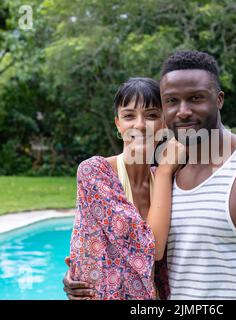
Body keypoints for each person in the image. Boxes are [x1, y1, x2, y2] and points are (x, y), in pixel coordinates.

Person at [64, 51, 236, 300]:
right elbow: (137, 253)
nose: (183, 111)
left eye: (196, 98)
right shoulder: (170, 174)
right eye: (171, 101)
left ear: (219, 99)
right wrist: (83, 274)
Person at [65, 77, 185, 300]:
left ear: (164, 125)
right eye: (129, 116)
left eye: (151, 115)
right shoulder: (95, 172)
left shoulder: (167, 180)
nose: (139, 125)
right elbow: (152, 248)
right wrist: (165, 170)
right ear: (118, 124)